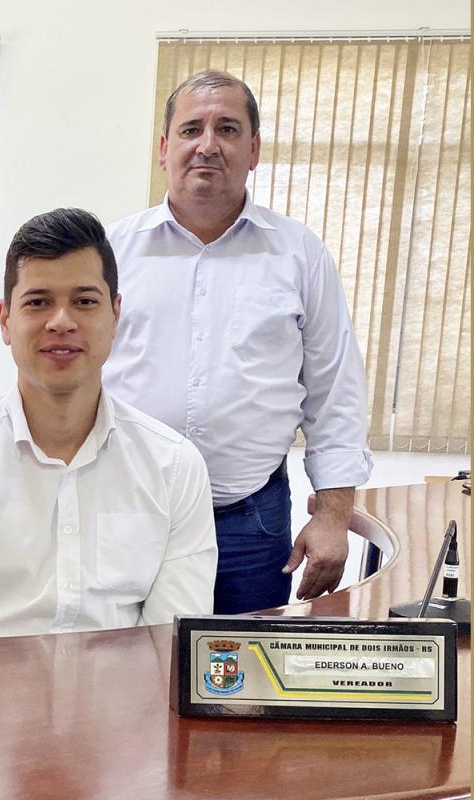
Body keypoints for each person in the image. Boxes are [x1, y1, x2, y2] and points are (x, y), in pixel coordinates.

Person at [102, 70, 373, 614]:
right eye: (190, 130)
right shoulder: (112, 251)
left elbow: (334, 392)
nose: (207, 145)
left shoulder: (298, 255)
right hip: (121, 513)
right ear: (163, 149)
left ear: (253, 149)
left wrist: (333, 516)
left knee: (239, 684)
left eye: (226, 129)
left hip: (250, 524)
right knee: (116, 678)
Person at [0, 208, 216, 641]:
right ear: (5, 320)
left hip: (122, 706)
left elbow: (168, 649)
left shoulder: (174, 467)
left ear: (115, 315)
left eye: (84, 301)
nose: (61, 321)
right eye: (38, 302)